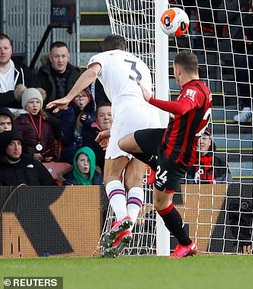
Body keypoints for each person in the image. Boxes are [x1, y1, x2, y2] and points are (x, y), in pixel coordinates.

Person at [46, 35, 166, 258]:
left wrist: (68, 97)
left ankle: (122, 218)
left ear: (106, 49)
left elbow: (91, 73)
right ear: (125, 48)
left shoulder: (104, 57)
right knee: (134, 179)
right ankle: (128, 227)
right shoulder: (140, 63)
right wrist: (111, 131)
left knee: (111, 175)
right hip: (152, 117)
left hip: (128, 113)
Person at [117, 50, 212, 258]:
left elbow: (181, 107)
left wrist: (150, 99)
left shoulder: (193, 91)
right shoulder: (200, 88)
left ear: (178, 71)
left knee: (161, 203)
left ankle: (186, 244)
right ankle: (155, 164)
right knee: (124, 142)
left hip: (176, 154)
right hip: (166, 139)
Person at [0, 33, 35, 109]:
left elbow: (32, 96)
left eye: (6, 48)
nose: (2, 52)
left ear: (11, 50)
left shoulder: (24, 71)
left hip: (21, 117)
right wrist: (15, 95)